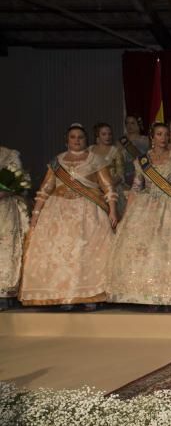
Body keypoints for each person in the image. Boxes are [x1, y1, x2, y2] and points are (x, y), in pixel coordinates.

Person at [20, 124, 118, 310]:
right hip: (58, 212)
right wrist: (36, 214)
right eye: (73, 137)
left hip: (88, 211)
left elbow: (108, 188)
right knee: (61, 254)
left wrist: (112, 210)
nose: (77, 140)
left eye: (80, 137)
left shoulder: (96, 160)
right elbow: (46, 188)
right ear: (67, 140)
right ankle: (64, 294)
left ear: (86, 139)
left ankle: (89, 296)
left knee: (86, 252)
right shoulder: (57, 161)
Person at [108, 122, 171, 309]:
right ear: (152, 137)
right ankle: (149, 294)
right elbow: (136, 188)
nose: (163, 138)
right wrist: (127, 215)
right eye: (159, 134)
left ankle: (169, 295)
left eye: (165, 134)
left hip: (170, 208)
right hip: (146, 209)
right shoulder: (143, 161)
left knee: (168, 252)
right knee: (147, 252)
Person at [0, 145, 29, 309]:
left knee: (6, 248)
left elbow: (20, 180)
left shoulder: (9, 154)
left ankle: (4, 292)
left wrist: (5, 191)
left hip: (4, 207)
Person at [90, 122, 128, 214]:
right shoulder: (90, 150)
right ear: (97, 136)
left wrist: (106, 186)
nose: (107, 137)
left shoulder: (116, 152)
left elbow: (120, 175)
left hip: (113, 187)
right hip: (93, 188)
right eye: (104, 134)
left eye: (109, 134)